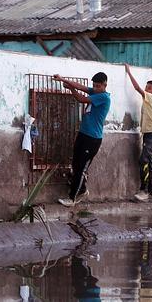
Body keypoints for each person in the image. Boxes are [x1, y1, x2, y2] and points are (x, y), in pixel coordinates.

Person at [53, 72, 111, 207]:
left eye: (98, 86)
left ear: (105, 85)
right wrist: (68, 82)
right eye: (94, 86)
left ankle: (72, 198)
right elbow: (81, 87)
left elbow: (81, 98)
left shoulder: (103, 97)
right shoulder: (95, 92)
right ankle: (82, 190)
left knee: (80, 168)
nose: (95, 88)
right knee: (75, 164)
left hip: (92, 139)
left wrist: (67, 84)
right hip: (83, 134)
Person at [124, 64, 152, 202]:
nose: (146, 90)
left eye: (149, 88)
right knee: (150, 163)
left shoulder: (151, 98)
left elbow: (136, 88)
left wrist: (129, 72)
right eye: (146, 87)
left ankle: (145, 190)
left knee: (143, 160)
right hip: (149, 133)